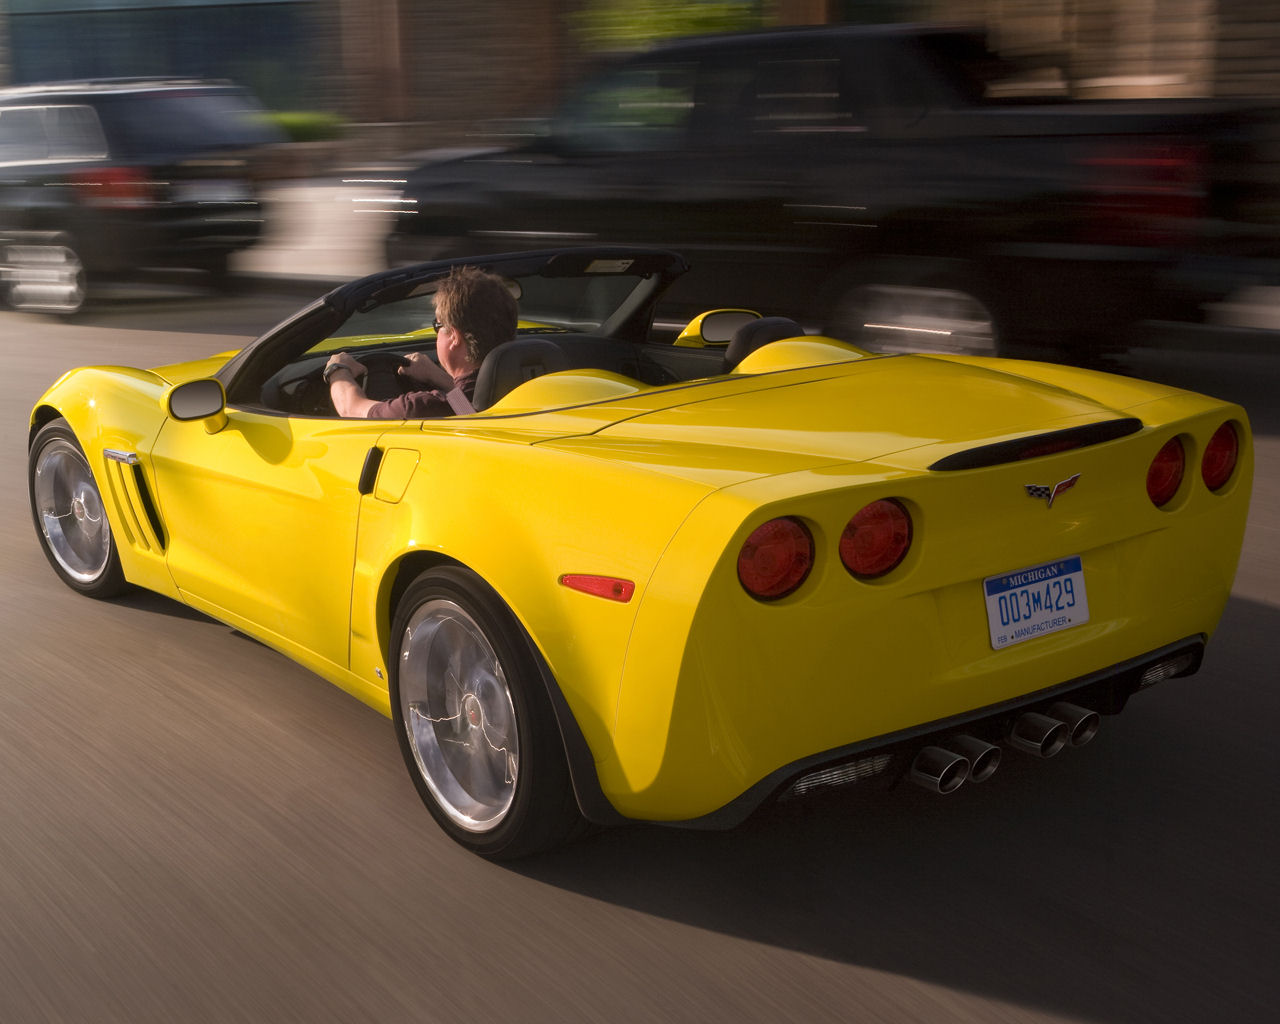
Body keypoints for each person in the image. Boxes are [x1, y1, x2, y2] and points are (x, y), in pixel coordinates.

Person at [323, 265, 518, 418]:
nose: (436, 332)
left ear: (454, 338)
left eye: (438, 325)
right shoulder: (522, 384)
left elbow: (352, 409)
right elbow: (469, 409)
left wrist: (338, 370)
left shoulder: (423, 408)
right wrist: (438, 377)